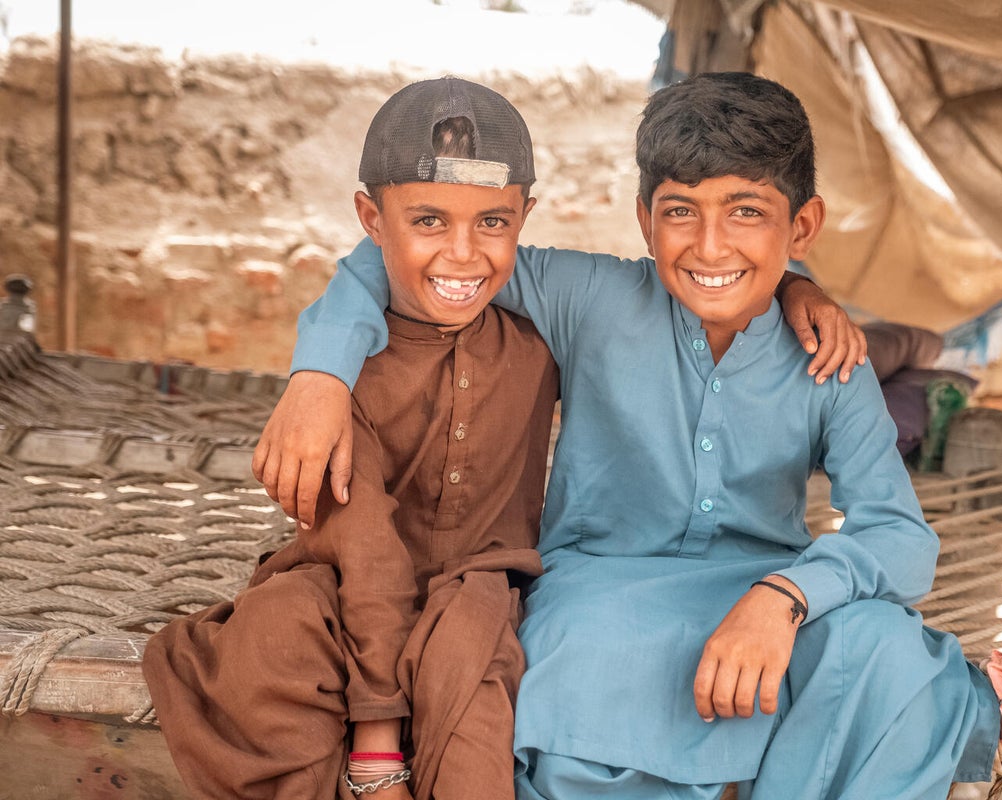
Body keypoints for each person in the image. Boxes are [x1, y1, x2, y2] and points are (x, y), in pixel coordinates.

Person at [258, 71, 1002, 799]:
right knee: (576, 676)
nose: (710, 247)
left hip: (763, 593)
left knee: (887, 648)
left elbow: (899, 537)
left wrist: (785, 597)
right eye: (682, 212)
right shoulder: (591, 298)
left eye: (747, 212)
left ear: (803, 226)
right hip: (599, 594)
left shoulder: (828, 359)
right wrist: (320, 376)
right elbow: (396, 252)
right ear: (646, 220)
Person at [144, 75, 866, 800]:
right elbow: (362, 548)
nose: (464, 253)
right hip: (346, 583)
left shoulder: (540, 329)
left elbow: (753, 290)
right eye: (430, 223)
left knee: (475, 667)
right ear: (370, 215)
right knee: (269, 647)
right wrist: (318, 374)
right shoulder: (367, 362)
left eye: (493, 223)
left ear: (523, 217)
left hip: (483, 587)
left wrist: (796, 291)